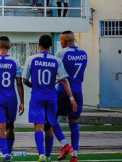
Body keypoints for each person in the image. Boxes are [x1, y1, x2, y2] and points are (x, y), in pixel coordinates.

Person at [22, 34, 77, 162]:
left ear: (39, 45)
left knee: (38, 126)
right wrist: (71, 98)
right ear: (50, 46)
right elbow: (63, 80)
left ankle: (41, 154)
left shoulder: (31, 59)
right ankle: (47, 156)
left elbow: (25, 80)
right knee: (49, 127)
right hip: (51, 96)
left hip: (37, 96)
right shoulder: (56, 61)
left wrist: (34, 86)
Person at [0, 35, 25, 162]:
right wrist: (22, 101)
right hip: (11, 98)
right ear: (9, 46)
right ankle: (9, 152)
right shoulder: (15, 61)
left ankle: (5, 153)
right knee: (10, 126)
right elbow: (19, 83)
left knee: (0, 127)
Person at [51, 31, 87, 162]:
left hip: (64, 91)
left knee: (50, 117)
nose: (60, 43)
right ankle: (75, 155)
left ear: (65, 41)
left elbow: (57, 70)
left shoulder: (61, 53)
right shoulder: (84, 53)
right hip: (78, 91)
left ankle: (65, 144)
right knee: (74, 122)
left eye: (61, 40)